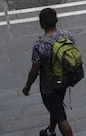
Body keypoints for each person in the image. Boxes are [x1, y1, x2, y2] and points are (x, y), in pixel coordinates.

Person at [23, 8, 76, 136]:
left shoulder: (40, 45)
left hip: (49, 87)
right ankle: (51, 131)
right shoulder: (67, 35)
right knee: (56, 108)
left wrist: (27, 86)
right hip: (64, 81)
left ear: (41, 24)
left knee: (60, 115)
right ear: (56, 20)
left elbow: (34, 71)